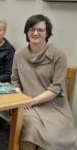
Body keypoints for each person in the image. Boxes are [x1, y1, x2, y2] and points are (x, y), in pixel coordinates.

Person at [11, 14, 77, 150]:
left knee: (52, 138)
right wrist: (22, 99)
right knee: (30, 131)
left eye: (40, 30)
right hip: (27, 104)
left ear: (47, 33)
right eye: (31, 29)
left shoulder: (58, 55)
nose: (35, 33)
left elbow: (56, 88)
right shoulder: (19, 54)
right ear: (26, 32)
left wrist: (32, 101)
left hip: (53, 106)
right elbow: (15, 81)